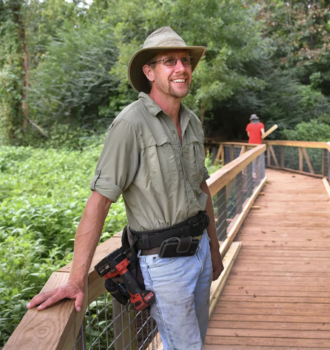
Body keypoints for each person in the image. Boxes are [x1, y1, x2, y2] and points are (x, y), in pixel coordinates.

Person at [27, 27, 224, 349]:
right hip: (164, 262)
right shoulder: (130, 124)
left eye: (186, 60)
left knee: (197, 340)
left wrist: (214, 249)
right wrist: (76, 280)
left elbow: (202, 187)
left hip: (201, 251)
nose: (181, 68)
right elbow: (99, 203)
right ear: (149, 71)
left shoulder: (192, 121)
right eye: (169, 61)